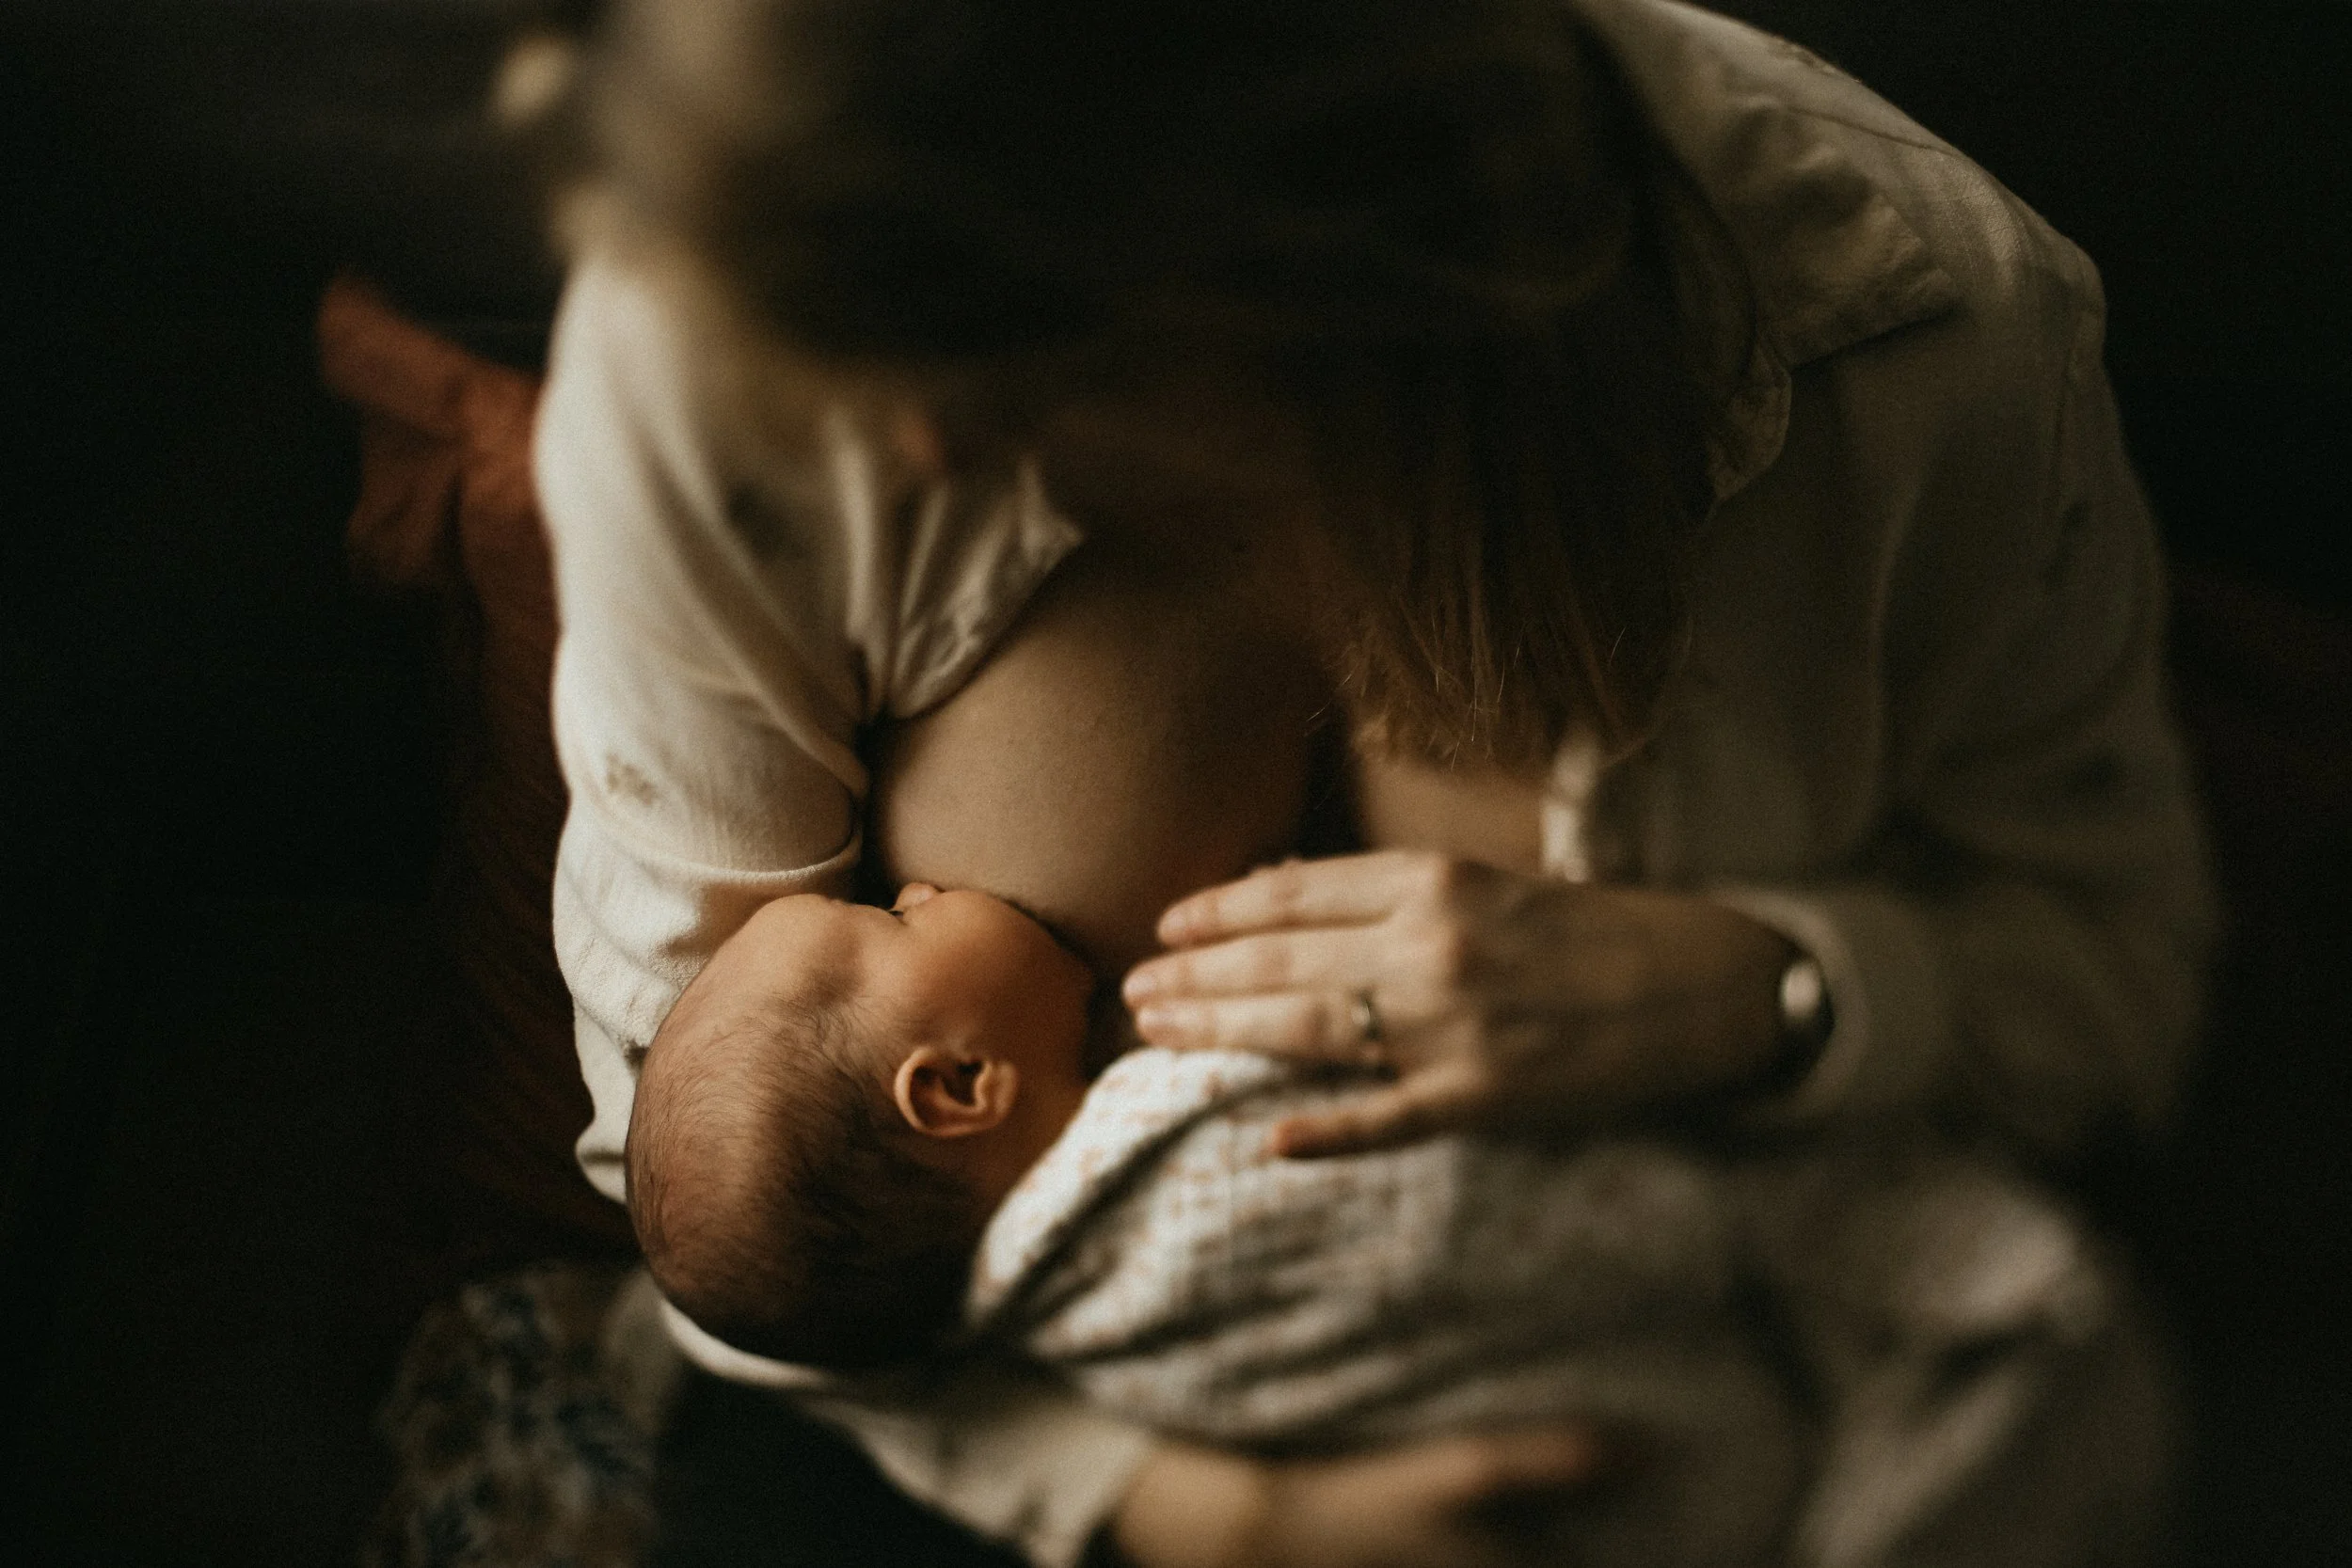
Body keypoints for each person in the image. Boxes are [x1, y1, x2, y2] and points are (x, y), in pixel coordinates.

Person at [532, 0, 2214, 1561]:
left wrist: (1762, 990)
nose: (917, 453)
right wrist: (1205, 1511)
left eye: (1000, 326)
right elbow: (704, 1170)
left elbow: (2117, 983)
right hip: (980, 1449)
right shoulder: (729, 327)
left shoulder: (1932, 355)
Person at [627, 873, 2141, 1568]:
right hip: (1683, 1387)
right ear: (954, 1085)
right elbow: (1461, 1210)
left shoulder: (1066, 1335)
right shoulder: (1193, 1140)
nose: (928, 875)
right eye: (894, 915)